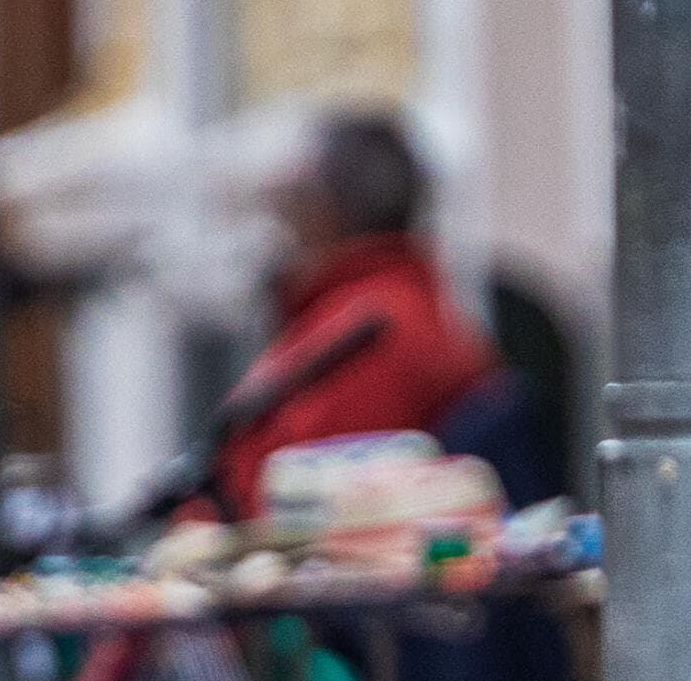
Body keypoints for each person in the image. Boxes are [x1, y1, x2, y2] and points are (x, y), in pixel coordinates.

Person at [216, 115, 517, 519]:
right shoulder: (397, 308)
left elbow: (292, 505)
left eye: (286, 207)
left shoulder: (367, 336)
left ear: (322, 212)